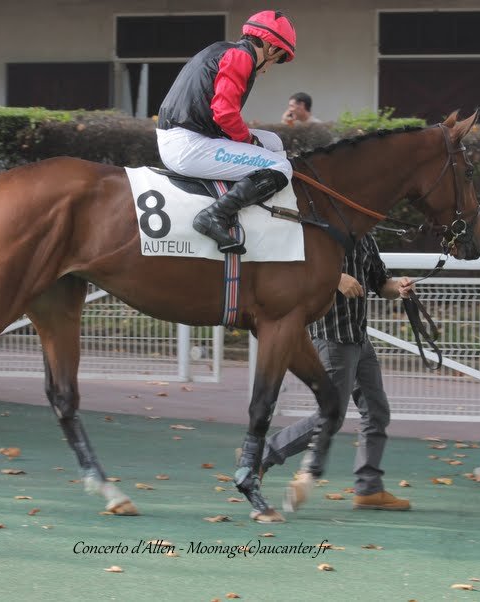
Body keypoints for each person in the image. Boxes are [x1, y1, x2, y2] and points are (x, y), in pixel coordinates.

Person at [261, 233, 413, 510]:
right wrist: (335, 279)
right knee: (330, 416)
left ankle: (368, 489)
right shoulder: (318, 234)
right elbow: (294, 275)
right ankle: (261, 456)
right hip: (332, 340)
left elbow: (381, 283)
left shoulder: (365, 237)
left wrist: (399, 287)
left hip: (359, 340)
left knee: (376, 412)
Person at [156, 10, 296, 255]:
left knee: (273, 142)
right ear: (271, 48)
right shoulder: (242, 57)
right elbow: (225, 114)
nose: (268, 69)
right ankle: (214, 216)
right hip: (188, 144)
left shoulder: (223, 49)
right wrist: (249, 141)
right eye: (276, 60)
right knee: (281, 167)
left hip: (187, 135)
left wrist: (252, 142)